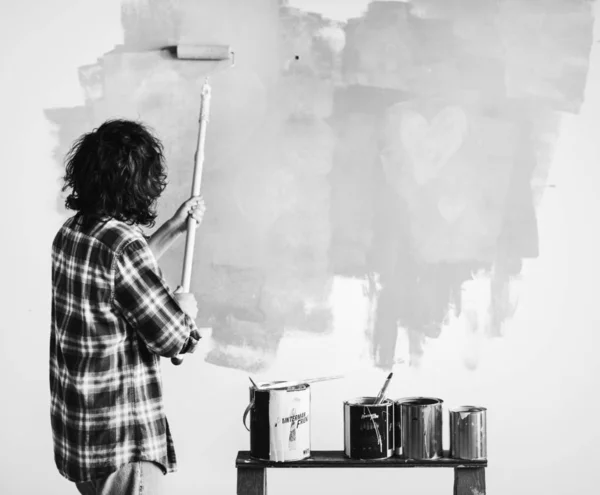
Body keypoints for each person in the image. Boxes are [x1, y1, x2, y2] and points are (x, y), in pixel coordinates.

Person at [50, 119, 206, 494]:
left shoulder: (72, 233)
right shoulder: (123, 245)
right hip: (121, 447)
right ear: (136, 185)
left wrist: (172, 228)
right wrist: (183, 312)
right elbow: (173, 339)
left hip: (83, 442)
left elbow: (117, 280)